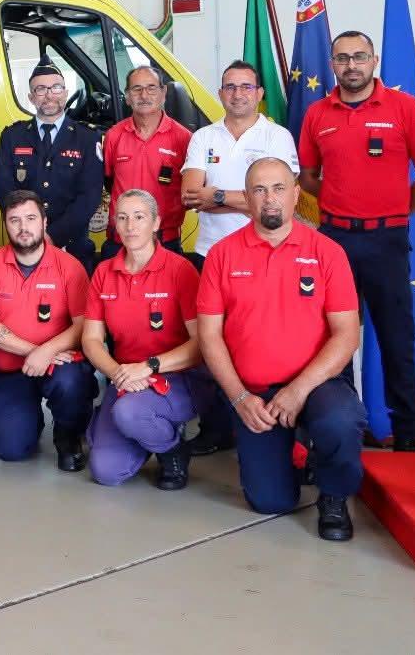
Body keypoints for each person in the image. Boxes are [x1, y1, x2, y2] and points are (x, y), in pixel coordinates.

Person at [198, 157, 366, 541]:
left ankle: (334, 495)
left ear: (295, 195)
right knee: (270, 500)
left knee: (340, 421)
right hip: (253, 394)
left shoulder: (327, 252)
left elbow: (346, 334)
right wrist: (240, 398)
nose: (269, 199)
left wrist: (298, 390)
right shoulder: (221, 255)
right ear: (247, 198)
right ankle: (290, 461)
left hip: (318, 384)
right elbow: (209, 336)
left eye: (278, 189)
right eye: (258, 190)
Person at [297, 31, 415, 451]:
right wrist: (344, 204)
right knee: (330, 338)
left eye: (359, 57)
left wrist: (394, 210)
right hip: (335, 241)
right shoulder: (317, 114)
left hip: (388, 241)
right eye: (342, 59)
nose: (351, 66)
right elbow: (308, 179)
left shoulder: (405, 109)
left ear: (374, 60)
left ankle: (408, 439)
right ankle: (339, 428)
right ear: (333, 65)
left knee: (397, 339)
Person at [179, 60, 299, 456]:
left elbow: (276, 204)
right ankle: (217, 427)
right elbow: (192, 195)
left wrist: (220, 197)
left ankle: (279, 420)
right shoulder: (203, 137)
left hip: (268, 255)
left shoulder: (277, 136)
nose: (238, 93)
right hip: (210, 255)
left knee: (265, 338)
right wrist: (246, 201)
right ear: (221, 93)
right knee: (210, 343)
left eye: (246, 86)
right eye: (230, 86)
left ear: (260, 93)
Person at [83, 189, 204, 491]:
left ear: (155, 223)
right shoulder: (103, 273)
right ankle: (139, 427)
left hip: (177, 377)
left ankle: (172, 447)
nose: (130, 226)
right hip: (126, 378)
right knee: (106, 471)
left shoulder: (181, 271)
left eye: (139, 217)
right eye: (122, 218)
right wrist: (116, 373)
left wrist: (149, 367)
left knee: (128, 413)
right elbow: (91, 339)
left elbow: (201, 343)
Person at [0, 190, 95, 471]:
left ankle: (68, 434)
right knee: (10, 449)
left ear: (44, 222)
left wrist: (47, 353)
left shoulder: (71, 267)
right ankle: (28, 418)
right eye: (14, 220)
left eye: (30, 218)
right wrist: (34, 352)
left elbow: (83, 327)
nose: (23, 227)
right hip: (10, 371)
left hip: (59, 366)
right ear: (5, 224)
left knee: (71, 383)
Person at [0, 62, 104, 272]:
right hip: (25, 245)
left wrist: (52, 236)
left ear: (65, 93)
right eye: (40, 89)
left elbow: (90, 196)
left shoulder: (88, 138)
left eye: (56, 88)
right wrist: (31, 233)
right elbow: (6, 192)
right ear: (31, 98)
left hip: (72, 246)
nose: (49, 95)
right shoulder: (12, 136)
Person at [101, 66, 192, 259]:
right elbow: (109, 183)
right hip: (120, 243)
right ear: (127, 96)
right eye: (137, 89)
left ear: (163, 92)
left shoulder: (184, 139)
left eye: (151, 88)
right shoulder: (113, 136)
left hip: (165, 243)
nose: (144, 95)